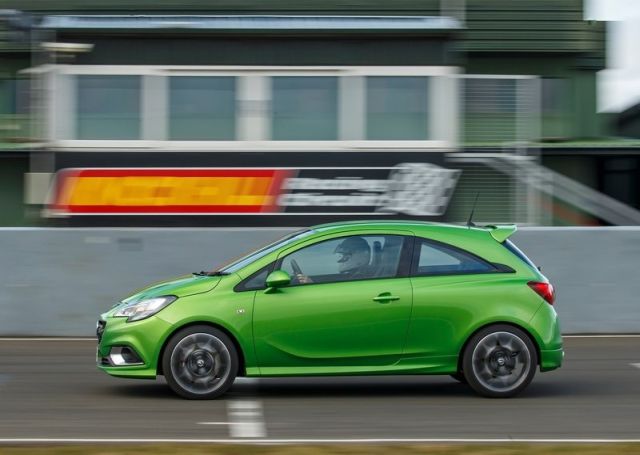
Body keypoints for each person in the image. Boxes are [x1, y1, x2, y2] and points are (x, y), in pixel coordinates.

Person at [294, 236, 373, 284]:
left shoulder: (361, 277)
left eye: (346, 255)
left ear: (362, 254)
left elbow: (340, 297)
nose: (341, 259)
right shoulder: (354, 273)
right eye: (342, 255)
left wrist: (311, 284)